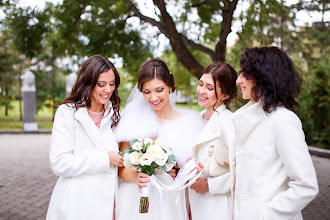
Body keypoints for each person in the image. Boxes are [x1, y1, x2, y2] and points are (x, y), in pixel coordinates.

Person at [232, 46, 319, 219]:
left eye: (244, 74)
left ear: (262, 76)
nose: (238, 80)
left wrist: (266, 215)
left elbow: (306, 185)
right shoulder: (246, 118)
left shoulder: (283, 120)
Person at [115, 58, 205, 220]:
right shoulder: (133, 119)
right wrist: (138, 176)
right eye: (147, 92)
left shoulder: (190, 123)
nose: (153, 97)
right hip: (136, 197)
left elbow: (192, 169)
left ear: (171, 86)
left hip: (169, 199)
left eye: (159, 90)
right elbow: (122, 169)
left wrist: (181, 172)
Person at [46, 55, 124, 220]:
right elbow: (59, 163)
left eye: (112, 84)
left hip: (108, 203)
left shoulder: (115, 116)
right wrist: (105, 158)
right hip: (77, 202)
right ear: (88, 83)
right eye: (101, 85)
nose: (108, 90)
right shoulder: (67, 113)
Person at [188, 62, 237, 220]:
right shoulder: (198, 119)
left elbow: (243, 171)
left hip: (218, 206)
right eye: (201, 84)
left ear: (225, 95)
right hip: (195, 203)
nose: (201, 91)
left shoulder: (229, 122)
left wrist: (210, 186)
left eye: (210, 88)